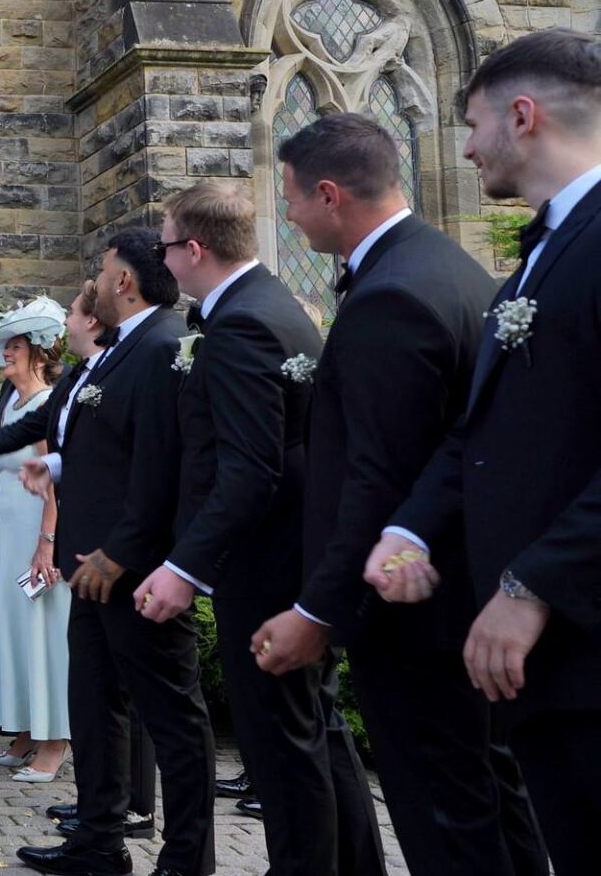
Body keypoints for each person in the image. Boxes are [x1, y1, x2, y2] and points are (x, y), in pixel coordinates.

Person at [247, 113, 548, 876]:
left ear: (328, 193)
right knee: (489, 801)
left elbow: (377, 477)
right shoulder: (445, 265)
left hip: (416, 615)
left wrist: (319, 611)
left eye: (290, 199)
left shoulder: (393, 297)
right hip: (460, 601)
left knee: (444, 819)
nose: (286, 215)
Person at [0, 231, 214, 876]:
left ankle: (186, 861)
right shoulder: (107, 357)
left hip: (130, 567)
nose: (95, 284)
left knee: (171, 719)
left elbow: (163, 468)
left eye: (103, 271)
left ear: (123, 282)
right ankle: (98, 843)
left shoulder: (163, 350)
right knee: (93, 704)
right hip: (89, 566)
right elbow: (59, 433)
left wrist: (121, 553)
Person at [367, 28, 601, 874]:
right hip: (550, 671)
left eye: (471, 124)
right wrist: (412, 530)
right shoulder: (539, 254)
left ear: (524, 116)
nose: (462, 147)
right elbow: (485, 432)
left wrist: (532, 585)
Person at [136, 184, 382, 876]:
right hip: (291, 554)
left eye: (165, 245)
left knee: (281, 744)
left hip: (267, 562)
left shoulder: (242, 323)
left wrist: (184, 568)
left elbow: (249, 469)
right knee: (315, 731)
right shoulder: (269, 304)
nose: (164, 261)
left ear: (194, 250)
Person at [0, 300, 72, 783]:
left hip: (38, 525)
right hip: (9, 521)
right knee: (13, 627)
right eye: (5, 346)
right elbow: (4, 468)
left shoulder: (48, 404)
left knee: (43, 628)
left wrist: (47, 544)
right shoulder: (7, 403)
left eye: (15, 346)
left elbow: (55, 481)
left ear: (35, 354)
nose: (7, 353)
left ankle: (56, 742)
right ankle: (26, 732)